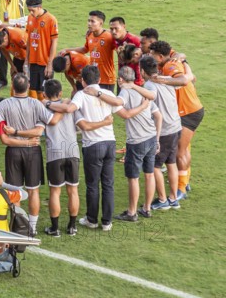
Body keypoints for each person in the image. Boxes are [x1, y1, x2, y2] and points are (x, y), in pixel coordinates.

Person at [45, 65, 124, 231]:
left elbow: (68, 109)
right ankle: (107, 222)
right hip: (110, 143)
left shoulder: (81, 95)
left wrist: (47, 103)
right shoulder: (108, 94)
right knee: (108, 184)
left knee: (93, 185)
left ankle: (92, 219)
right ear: (99, 79)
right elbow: (119, 104)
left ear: (82, 80)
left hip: (93, 145)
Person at [0, 73, 59, 235]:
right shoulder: (36, 103)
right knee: (33, 190)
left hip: (13, 151)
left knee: (16, 191)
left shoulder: (5, 104)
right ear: (28, 86)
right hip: (33, 151)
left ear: (13, 87)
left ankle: (18, 227)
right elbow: (51, 121)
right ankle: (33, 227)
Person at [84, 67, 161, 221]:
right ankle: (146, 208)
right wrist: (157, 138)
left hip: (137, 140)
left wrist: (99, 93)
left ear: (120, 79)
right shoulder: (142, 90)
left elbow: (119, 104)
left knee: (133, 177)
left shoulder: (125, 91)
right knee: (149, 173)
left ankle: (132, 213)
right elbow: (158, 115)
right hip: (152, 137)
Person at [38, 79, 112, 237]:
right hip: (72, 151)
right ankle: (72, 227)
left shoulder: (42, 107)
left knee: (55, 192)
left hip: (55, 153)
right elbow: (81, 125)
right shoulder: (70, 106)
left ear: (45, 94)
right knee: (73, 191)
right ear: (60, 93)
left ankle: (55, 228)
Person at [150, 41, 203, 197]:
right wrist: (183, 60)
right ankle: (184, 182)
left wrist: (162, 80)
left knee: (180, 152)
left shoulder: (169, 66)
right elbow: (190, 75)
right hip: (188, 110)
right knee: (183, 149)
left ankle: (181, 188)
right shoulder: (170, 58)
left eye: (152, 55)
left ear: (159, 56)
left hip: (189, 112)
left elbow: (183, 80)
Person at [136, 56, 182, 210]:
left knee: (155, 166)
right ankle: (173, 198)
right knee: (171, 163)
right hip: (176, 127)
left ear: (142, 71)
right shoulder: (167, 79)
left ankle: (162, 200)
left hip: (163, 132)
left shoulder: (149, 86)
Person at [60, 10, 115, 91]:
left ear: (101, 23)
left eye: (92, 21)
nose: (89, 23)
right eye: (88, 21)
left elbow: (120, 41)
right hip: (93, 78)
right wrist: (67, 50)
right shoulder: (90, 35)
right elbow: (85, 49)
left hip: (106, 79)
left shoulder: (109, 37)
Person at [24, 0, 59, 100]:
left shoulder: (51, 20)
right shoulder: (30, 18)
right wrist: (26, 61)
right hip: (33, 61)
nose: (30, 13)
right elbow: (29, 40)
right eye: (29, 10)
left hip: (45, 62)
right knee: (34, 89)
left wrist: (50, 64)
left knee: (46, 92)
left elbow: (54, 42)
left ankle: (47, 113)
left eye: (32, 10)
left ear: (40, 7)